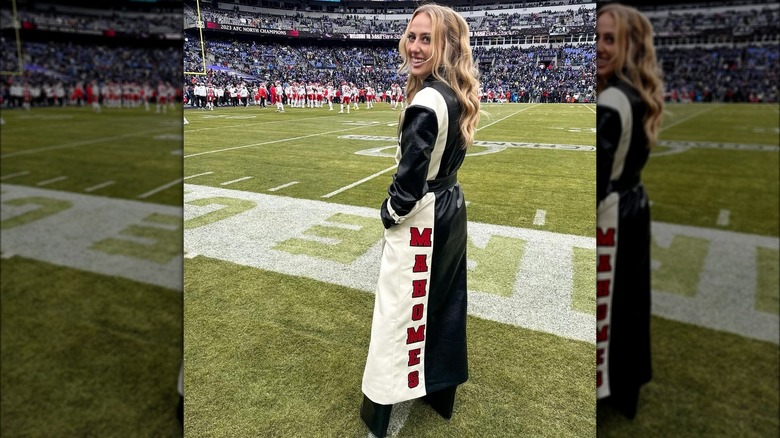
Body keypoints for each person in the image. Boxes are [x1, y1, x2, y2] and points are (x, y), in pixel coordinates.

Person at [360, 4, 480, 438]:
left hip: (424, 216)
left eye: (426, 38)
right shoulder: (453, 92)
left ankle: (378, 405)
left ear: (446, 46)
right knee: (444, 303)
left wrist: (389, 212)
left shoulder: (428, 99)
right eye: (411, 36)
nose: (413, 46)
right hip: (451, 207)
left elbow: (409, 181)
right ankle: (439, 389)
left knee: (397, 310)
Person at [595, 2, 664, 420]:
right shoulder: (634, 94)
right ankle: (626, 386)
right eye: (597, 37)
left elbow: (598, 177)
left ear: (630, 46)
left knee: (609, 305)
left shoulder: (614, 99)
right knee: (630, 302)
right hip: (633, 207)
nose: (599, 47)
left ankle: (608, 390)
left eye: (610, 39)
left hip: (613, 214)